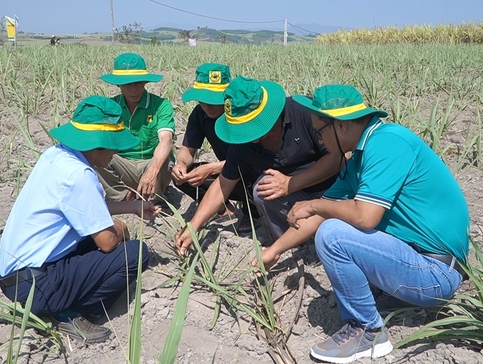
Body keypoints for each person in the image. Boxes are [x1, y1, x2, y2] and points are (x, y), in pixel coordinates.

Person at [255, 84, 470, 363]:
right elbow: (319, 216)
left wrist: (314, 203)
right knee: (333, 225)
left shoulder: (388, 142)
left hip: (436, 274)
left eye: (321, 131)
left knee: (334, 235)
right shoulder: (358, 159)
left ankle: (367, 332)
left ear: (341, 126)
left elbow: (364, 216)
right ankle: (402, 301)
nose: (320, 141)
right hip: (417, 264)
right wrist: (274, 251)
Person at [0, 96, 160, 343]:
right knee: (134, 253)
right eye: (113, 146)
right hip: (33, 288)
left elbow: (85, 207)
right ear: (97, 145)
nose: (115, 153)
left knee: (90, 242)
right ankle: (69, 312)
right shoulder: (79, 175)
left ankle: (58, 300)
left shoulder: (57, 155)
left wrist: (133, 206)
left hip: (12, 273)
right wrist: (120, 228)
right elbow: (107, 242)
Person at [175, 76, 341, 255]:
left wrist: (291, 183)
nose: (247, 135)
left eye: (251, 127)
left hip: (336, 191)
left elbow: (339, 157)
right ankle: (293, 246)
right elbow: (223, 184)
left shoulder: (304, 113)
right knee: (263, 188)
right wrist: (194, 226)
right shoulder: (242, 142)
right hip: (295, 199)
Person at [171, 63, 258, 230]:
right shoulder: (199, 114)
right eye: (202, 100)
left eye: (214, 101)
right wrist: (181, 165)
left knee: (255, 178)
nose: (207, 106)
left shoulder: (241, 113)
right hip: (226, 175)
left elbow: (252, 159)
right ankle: (223, 209)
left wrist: (212, 168)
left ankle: (253, 214)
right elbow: (187, 150)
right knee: (183, 177)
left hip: (250, 174)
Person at [96, 53, 175, 207]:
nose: (134, 89)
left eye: (138, 83)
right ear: (118, 85)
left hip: (151, 163)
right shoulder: (111, 107)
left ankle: (154, 199)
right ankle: (123, 197)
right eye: (127, 84)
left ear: (145, 82)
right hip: (122, 164)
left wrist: (153, 170)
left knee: (165, 158)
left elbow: (166, 140)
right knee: (97, 152)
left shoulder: (160, 105)